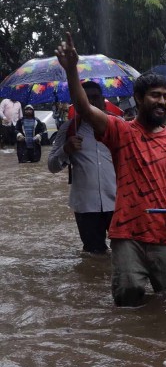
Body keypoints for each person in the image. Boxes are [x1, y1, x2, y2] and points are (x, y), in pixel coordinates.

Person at [56, 32, 166, 307]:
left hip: (164, 233)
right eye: (154, 95)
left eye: (165, 96)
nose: (161, 101)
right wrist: (72, 70)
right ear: (138, 98)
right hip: (125, 233)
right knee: (127, 300)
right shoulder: (120, 131)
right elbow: (85, 109)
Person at [47, 81, 116, 255]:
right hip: (86, 204)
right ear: (78, 102)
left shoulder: (118, 125)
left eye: (95, 98)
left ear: (103, 100)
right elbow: (52, 166)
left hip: (118, 201)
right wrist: (66, 150)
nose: (91, 102)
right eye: (86, 98)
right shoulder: (69, 128)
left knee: (125, 251)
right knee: (94, 255)